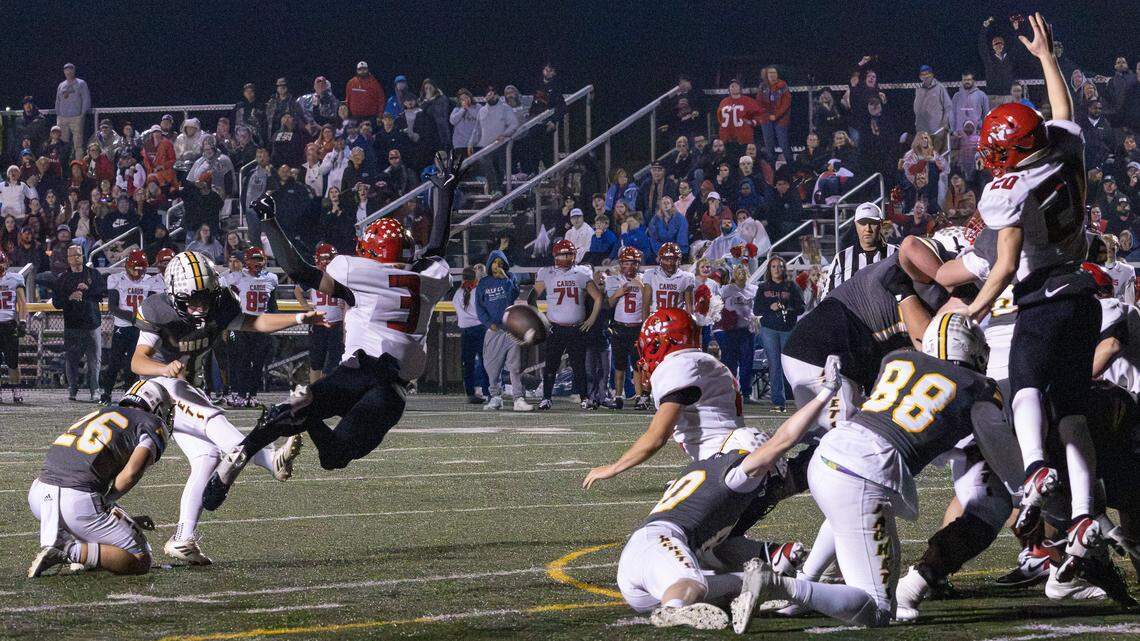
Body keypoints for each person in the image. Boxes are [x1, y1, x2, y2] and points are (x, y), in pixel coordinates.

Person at [205, 155, 463, 511]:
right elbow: (436, 248)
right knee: (335, 456)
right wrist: (446, 195)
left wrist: (269, 221)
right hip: (391, 389)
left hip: (360, 372)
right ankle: (293, 414)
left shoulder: (360, 273)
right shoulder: (430, 279)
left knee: (316, 440)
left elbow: (300, 271)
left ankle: (278, 425)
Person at [731, 315, 997, 631]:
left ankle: (803, 585)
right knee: (879, 609)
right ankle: (780, 586)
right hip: (862, 473)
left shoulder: (899, 359)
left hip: (829, 455)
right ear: (971, 351)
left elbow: (920, 430)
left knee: (845, 517)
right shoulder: (976, 386)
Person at [586, 310, 839, 630]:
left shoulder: (676, 365)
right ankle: (776, 559)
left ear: (663, 341)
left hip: (729, 462)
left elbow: (657, 436)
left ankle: (784, 565)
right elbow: (779, 443)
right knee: (710, 548)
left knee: (703, 550)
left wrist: (614, 467)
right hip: (732, 461)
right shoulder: (705, 362)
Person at [967, 14, 1105, 571]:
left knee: (1024, 384)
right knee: (1072, 409)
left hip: (1043, 294)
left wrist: (974, 312)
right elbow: (1063, 114)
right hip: (1085, 296)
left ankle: (1033, 469)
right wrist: (1047, 58)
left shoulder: (1011, 186)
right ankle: (1087, 513)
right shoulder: (1064, 151)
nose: (991, 160)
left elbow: (1002, 267)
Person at [129, 249, 313, 564]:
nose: (200, 307)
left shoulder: (222, 302)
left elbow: (255, 323)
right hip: (155, 391)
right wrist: (164, 368)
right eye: (192, 300)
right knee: (211, 416)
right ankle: (271, 461)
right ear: (174, 294)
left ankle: (183, 539)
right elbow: (137, 362)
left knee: (208, 458)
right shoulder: (157, 310)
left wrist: (298, 317)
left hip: (182, 389)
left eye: (205, 298)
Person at [26, 380, 171, 577]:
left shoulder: (102, 412)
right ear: (157, 406)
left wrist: (122, 517)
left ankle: (76, 544)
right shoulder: (150, 423)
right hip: (76, 501)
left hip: (39, 494)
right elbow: (130, 474)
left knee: (96, 505)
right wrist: (107, 504)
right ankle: (68, 549)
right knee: (140, 559)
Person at [530, 239, 602, 410]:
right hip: (555, 327)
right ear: (556, 255)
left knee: (579, 366)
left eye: (570, 253)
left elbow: (598, 297)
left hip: (576, 328)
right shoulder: (546, 273)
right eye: (565, 253)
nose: (568, 256)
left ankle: (584, 397)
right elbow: (531, 299)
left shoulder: (582, 272)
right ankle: (546, 397)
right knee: (551, 365)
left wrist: (591, 319)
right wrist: (543, 320)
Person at [100, 250, 162, 405]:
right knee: (115, 361)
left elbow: (151, 305)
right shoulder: (116, 279)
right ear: (127, 266)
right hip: (122, 326)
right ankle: (106, 393)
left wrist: (140, 320)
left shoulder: (151, 281)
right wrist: (134, 318)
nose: (138, 273)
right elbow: (113, 307)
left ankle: (130, 393)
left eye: (141, 270)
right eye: (135, 269)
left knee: (133, 364)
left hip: (141, 328)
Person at [476, 249, 531, 412]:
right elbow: (479, 307)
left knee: (515, 366)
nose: (497, 266)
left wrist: (505, 278)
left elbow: (513, 294)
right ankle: (495, 397)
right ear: (490, 264)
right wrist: (488, 323)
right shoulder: (484, 283)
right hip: (494, 331)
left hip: (510, 329)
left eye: (500, 263)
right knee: (492, 367)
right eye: (494, 262)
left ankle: (518, 398)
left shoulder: (510, 278)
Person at [225, 247, 279, 407]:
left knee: (258, 362)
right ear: (246, 262)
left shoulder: (271, 278)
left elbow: (273, 304)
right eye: (254, 259)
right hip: (243, 324)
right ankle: (241, 394)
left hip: (261, 323)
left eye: (260, 259)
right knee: (242, 361)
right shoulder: (236, 277)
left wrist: (273, 322)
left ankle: (253, 394)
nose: (257, 263)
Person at [52, 244, 106, 402]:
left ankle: (95, 390)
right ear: (67, 259)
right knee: (72, 360)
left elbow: (102, 293)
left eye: (79, 254)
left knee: (95, 360)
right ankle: (73, 389)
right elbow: (56, 302)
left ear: (83, 255)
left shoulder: (93, 274)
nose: (76, 258)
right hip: (72, 326)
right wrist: (71, 297)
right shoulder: (63, 279)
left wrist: (87, 290)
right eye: (73, 255)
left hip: (92, 324)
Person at [753, 256, 803, 412]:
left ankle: (799, 399)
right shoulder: (763, 287)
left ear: (784, 269)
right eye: (773, 267)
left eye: (780, 266)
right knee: (774, 365)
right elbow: (756, 310)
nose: (777, 269)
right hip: (769, 330)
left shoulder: (791, 286)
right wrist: (770, 307)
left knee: (791, 366)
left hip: (788, 329)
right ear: (769, 269)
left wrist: (788, 308)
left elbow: (801, 307)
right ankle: (778, 402)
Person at [294, 243, 346, 387]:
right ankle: (314, 393)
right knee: (317, 361)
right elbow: (297, 291)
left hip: (337, 322)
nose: (327, 264)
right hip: (319, 323)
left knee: (334, 361)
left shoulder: (341, 276)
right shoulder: (313, 275)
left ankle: (325, 392)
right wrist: (306, 307)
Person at [819, 202, 896, 297]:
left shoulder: (896, 255)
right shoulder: (842, 258)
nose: (868, 229)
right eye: (863, 223)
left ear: (881, 224)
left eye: (872, 223)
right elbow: (829, 298)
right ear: (855, 225)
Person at [604, 247, 646, 410]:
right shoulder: (614, 280)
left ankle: (639, 397)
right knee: (619, 366)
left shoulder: (644, 279)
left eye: (634, 263)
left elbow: (648, 299)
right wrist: (619, 293)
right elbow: (609, 304)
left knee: (637, 365)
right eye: (627, 262)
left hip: (637, 328)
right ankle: (618, 396)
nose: (630, 266)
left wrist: (641, 285)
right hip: (619, 327)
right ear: (621, 264)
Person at [467, 86, 519, 193]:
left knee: (499, 170)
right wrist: (471, 143)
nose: (490, 96)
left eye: (493, 93)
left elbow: (514, 124)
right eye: (488, 94)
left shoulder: (505, 108)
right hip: (485, 146)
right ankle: (495, 190)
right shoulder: (482, 110)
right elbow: (477, 129)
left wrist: (505, 134)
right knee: (487, 167)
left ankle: (498, 191)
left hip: (500, 145)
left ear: (497, 95)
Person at [716, 264, 756, 400]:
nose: (741, 274)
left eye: (744, 271)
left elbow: (757, 309)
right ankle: (730, 390)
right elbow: (718, 306)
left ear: (748, 273)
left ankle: (746, 392)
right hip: (730, 330)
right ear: (733, 274)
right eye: (738, 271)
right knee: (730, 361)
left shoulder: (754, 289)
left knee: (747, 362)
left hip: (747, 330)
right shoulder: (726, 289)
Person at [452, 265, 487, 404]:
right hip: (480, 329)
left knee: (468, 364)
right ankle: (487, 391)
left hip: (465, 331)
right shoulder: (478, 291)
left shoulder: (458, 293)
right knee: (485, 362)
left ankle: (470, 393)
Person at [0, 250, 27, 402]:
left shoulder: (14, 278)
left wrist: (22, 321)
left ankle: (17, 392)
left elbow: (22, 302)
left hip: (9, 325)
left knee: (13, 362)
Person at [643, 242, 694, 317]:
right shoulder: (651, 274)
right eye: (666, 259)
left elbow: (689, 307)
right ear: (660, 260)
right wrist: (645, 325)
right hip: (656, 320)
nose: (670, 263)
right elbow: (645, 305)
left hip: (677, 320)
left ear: (679, 260)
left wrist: (690, 325)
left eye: (673, 259)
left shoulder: (686, 277)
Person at [716, 80, 761, 161]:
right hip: (726, 137)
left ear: (740, 88)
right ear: (729, 89)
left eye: (736, 86)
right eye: (732, 86)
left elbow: (759, 114)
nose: (734, 88)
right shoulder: (724, 101)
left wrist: (752, 122)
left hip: (743, 137)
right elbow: (719, 117)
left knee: (744, 160)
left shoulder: (748, 101)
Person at [55, 63, 91, 161]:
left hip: (76, 117)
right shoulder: (61, 85)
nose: (68, 72)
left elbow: (86, 99)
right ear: (64, 72)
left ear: (74, 71)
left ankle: (78, 166)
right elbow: (58, 100)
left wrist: (82, 114)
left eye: (70, 69)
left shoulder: (81, 83)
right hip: (62, 118)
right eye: (66, 70)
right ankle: (63, 166)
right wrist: (58, 115)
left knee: (78, 144)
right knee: (62, 144)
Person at [756, 68, 792, 166]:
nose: (772, 75)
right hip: (766, 118)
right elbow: (759, 102)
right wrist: (767, 115)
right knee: (769, 146)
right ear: (767, 75)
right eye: (770, 73)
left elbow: (786, 103)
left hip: (781, 118)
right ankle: (771, 169)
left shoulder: (782, 85)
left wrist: (776, 116)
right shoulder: (762, 86)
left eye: (774, 72)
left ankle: (792, 167)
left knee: (784, 144)